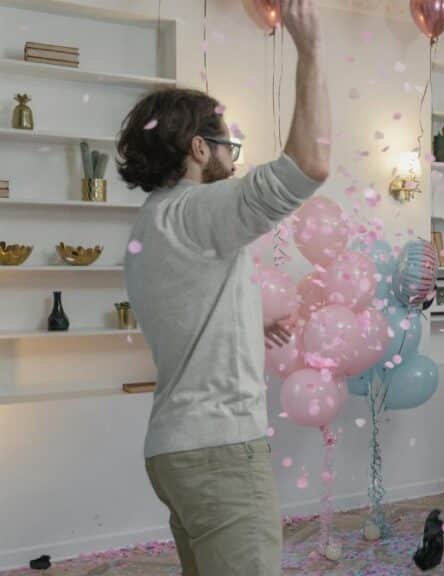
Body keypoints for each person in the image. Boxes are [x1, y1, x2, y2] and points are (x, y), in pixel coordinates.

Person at [120, 1, 329, 574]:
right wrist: (310, 52)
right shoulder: (197, 210)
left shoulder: (153, 221)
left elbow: (189, 306)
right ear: (197, 149)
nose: (230, 163)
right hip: (219, 452)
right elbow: (309, 164)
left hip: (174, 450)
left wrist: (247, 320)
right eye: (225, 148)